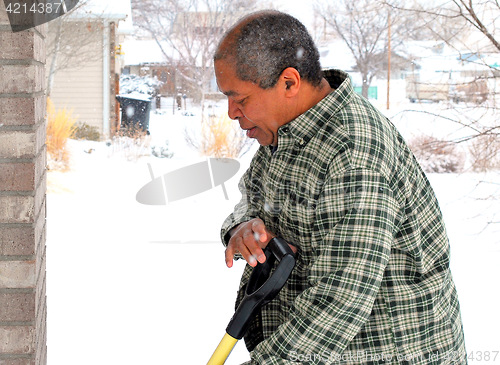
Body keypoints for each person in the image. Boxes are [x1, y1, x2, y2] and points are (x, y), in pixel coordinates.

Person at [214, 10, 467, 364]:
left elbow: (340, 298)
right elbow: (252, 198)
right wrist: (241, 227)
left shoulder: (353, 151)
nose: (231, 113)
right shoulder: (285, 135)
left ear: (289, 83)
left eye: (240, 99)